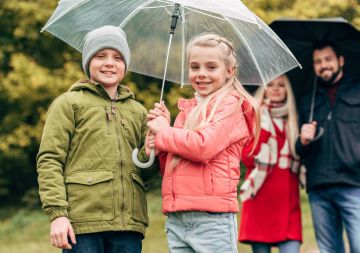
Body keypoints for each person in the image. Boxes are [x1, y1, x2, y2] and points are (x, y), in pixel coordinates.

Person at [37, 25, 157, 253]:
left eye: (118, 57)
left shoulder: (139, 111)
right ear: (88, 62)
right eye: (100, 56)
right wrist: (58, 215)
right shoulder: (69, 103)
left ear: (126, 65)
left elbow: (146, 174)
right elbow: (50, 160)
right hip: (82, 225)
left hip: (128, 225)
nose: (109, 63)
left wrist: (150, 152)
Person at [144, 33, 260, 253]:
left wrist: (165, 133)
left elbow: (202, 147)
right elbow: (170, 166)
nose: (201, 74)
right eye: (195, 67)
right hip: (178, 218)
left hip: (212, 219)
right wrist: (157, 144)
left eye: (211, 67)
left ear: (229, 71)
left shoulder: (231, 107)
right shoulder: (185, 111)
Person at [296, 41, 360, 253]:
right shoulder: (308, 100)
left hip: (354, 184)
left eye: (328, 59)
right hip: (318, 188)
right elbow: (300, 149)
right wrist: (303, 141)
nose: (323, 65)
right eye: (317, 61)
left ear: (340, 61)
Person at [239, 74, 303, 253]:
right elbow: (248, 159)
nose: (275, 88)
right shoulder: (254, 118)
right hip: (260, 203)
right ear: (264, 89)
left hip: (289, 206)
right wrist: (263, 127)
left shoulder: (294, 121)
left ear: (287, 91)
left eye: (281, 85)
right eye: (270, 84)